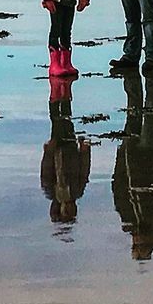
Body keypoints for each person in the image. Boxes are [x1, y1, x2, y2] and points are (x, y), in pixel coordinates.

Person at [111, 66, 153, 259]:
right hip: (148, 160)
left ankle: (144, 81)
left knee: (139, 116)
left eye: (135, 244)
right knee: (145, 117)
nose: (135, 239)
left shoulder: (129, 220)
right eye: (138, 244)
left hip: (136, 159)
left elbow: (118, 189)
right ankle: (146, 81)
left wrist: (119, 161)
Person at [41, 78, 91, 224]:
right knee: (64, 121)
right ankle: (62, 95)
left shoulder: (51, 191)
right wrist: (84, 151)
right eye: (72, 212)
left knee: (58, 121)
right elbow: (84, 171)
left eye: (68, 212)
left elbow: (46, 171)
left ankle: (56, 95)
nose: (71, 209)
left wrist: (48, 152)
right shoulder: (77, 192)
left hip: (59, 150)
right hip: (69, 150)